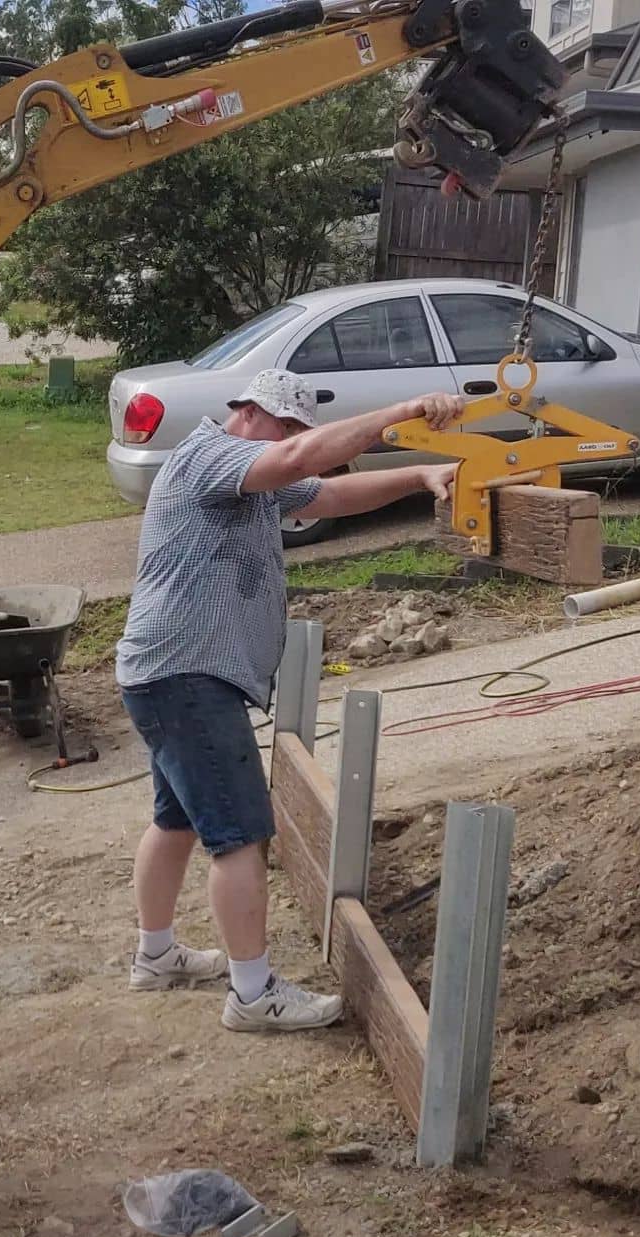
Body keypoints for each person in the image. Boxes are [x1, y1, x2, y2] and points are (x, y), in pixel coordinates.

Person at [116, 368, 463, 1033]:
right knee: (239, 834)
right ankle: (253, 994)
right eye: (289, 429)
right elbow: (305, 460)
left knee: (176, 820)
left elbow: (327, 491)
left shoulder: (250, 481)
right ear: (250, 414)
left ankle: (155, 956)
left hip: (166, 674)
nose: (298, 442)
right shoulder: (211, 455)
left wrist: (418, 478)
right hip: (188, 676)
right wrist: (407, 410)